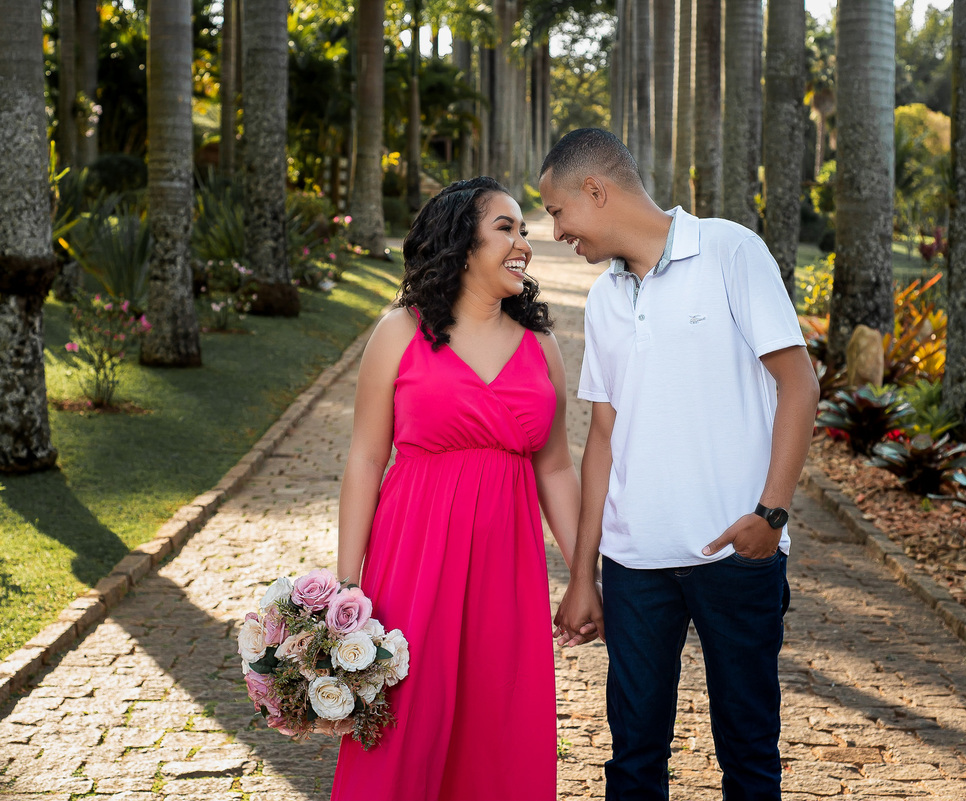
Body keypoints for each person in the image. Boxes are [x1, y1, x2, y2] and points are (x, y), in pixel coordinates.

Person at [542, 129, 820, 801]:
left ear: (597, 191)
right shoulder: (606, 295)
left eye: (556, 211)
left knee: (748, 752)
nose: (554, 231)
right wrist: (585, 573)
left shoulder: (730, 250)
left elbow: (800, 383)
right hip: (636, 567)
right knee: (633, 758)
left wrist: (770, 514)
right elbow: (602, 436)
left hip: (737, 556)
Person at [330, 176, 581, 801]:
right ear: (462, 243)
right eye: (507, 227)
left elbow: (554, 469)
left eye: (525, 229)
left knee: (498, 726)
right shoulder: (398, 332)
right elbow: (365, 458)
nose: (524, 242)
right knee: (405, 725)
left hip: (507, 573)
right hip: (412, 561)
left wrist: (585, 577)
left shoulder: (542, 347)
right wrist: (347, 588)